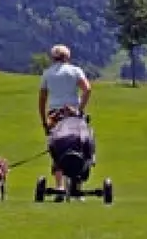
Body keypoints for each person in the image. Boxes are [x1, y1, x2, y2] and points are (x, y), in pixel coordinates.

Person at [38, 44, 92, 193]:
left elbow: (42, 99)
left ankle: (59, 186)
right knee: (81, 144)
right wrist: (79, 109)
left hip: (55, 115)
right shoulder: (75, 71)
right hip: (73, 113)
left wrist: (44, 121)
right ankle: (78, 183)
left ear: (53, 57)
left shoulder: (47, 74)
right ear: (67, 57)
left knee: (56, 149)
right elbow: (87, 89)